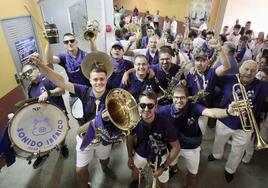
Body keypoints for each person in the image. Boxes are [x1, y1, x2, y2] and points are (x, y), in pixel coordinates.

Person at [31, 52, 116, 188]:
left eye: (102, 79)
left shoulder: (113, 95)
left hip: (104, 137)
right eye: (95, 79)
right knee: (80, 170)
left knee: (104, 159)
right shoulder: (83, 90)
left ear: (106, 79)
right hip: (85, 135)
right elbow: (61, 81)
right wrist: (40, 65)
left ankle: (105, 169)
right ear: (90, 80)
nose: (99, 82)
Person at [157, 86, 236, 188]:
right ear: (172, 98)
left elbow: (211, 112)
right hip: (173, 146)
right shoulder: (164, 110)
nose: (179, 101)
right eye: (176, 97)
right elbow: (151, 116)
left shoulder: (194, 107)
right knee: (172, 164)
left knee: (193, 173)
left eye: (182, 98)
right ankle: (174, 170)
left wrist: (227, 112)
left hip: (191, 147)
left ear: (187, 98)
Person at [208, 60, 268, 182]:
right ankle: (217, 155)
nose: (249, 72)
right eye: (246, 69)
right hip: (225, 120)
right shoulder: (229, 79)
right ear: (240, 68)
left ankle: (230, 169)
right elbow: (212, 77)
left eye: (253, 70)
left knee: (238, 150)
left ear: (257, 72)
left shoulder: (262, 85)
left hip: (246, 126)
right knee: (219, 141)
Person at [20, 62, 69, 169]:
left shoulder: (48, 79)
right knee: (44, 136)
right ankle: (44, 153)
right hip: (43, 118)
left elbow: (62, 90)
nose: (28, 75)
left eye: (29, 71)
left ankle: (63, 146)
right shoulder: (30, 88)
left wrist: (49, 93)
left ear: (37, 69)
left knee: (61, 134)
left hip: (58, 115)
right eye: (25, 75)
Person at [127, 90, 180, 188]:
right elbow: (130, 137)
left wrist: (163, 167)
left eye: (150, 106)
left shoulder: (165, 124)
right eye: (143, 105)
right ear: (138, 106)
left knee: (164, 183)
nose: (146, 109)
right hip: (141, 152)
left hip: (160, 156)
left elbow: (176, 147)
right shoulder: (134, 120)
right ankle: (138, 179)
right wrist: (130, 156)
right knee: (135, 176)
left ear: (156, 106)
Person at [44, 32, 91, 125]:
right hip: (74, 93)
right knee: (80, 119)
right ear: (64, 45)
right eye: (66, 42)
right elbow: (49, 59)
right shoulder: (64, 57)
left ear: (76, 42)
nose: (69, 43)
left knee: (91, 117)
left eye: (72, 40)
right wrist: (48, 42)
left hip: (87, 92)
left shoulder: (86, 55)